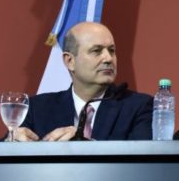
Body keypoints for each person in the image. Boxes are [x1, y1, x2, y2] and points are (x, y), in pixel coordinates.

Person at [13, 22, 153, 141]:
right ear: (70, 61)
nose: (108, 58)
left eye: (111, 50)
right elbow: (5, 154)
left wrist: (83, 142)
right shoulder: (36, 109)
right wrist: (11, 141)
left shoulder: (140, 107)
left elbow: (141, 159)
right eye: (96, 51)